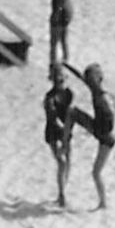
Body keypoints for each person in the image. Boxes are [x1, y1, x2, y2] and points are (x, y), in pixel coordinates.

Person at [66, 63, 115, 210]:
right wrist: (66, 65)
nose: (88, 82)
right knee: (72, 112)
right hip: (99, 130)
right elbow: (80, 76)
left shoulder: (102, 97)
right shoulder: (96, 90)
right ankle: (66, 139)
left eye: (91, 79)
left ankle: (103, 202)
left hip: (105, 136)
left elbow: (111, 119)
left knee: (96, 172)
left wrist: (105, 131)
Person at [43, 63, 75, 207]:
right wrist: (62, 131)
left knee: (67, 161)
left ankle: (62, 191)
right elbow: (52, 118)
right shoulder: (49, 97)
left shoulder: (69, 94)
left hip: (66, 131)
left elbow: (71, 113)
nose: (60, 79)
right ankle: (62, 194)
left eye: (62, 76)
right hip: (53, 133)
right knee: (61, 162)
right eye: (57, 77)